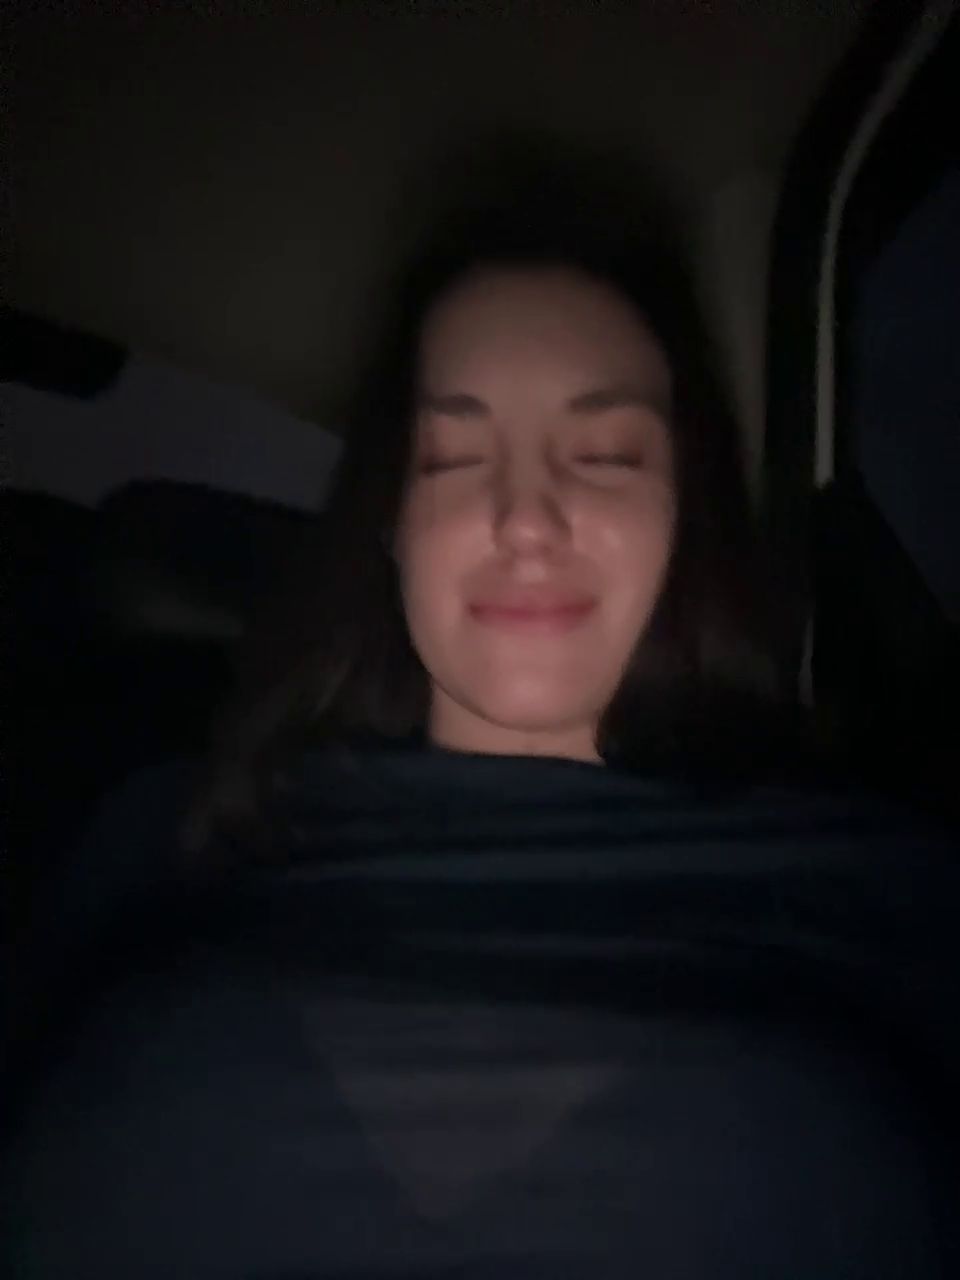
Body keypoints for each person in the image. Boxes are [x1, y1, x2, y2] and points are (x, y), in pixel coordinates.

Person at [3, 172, 958, 1279]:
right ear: (392, 522)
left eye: (605, 455)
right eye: (454, 458)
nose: (526, 518)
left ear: (680, 518)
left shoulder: (884, 886)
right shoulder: (168, 837)